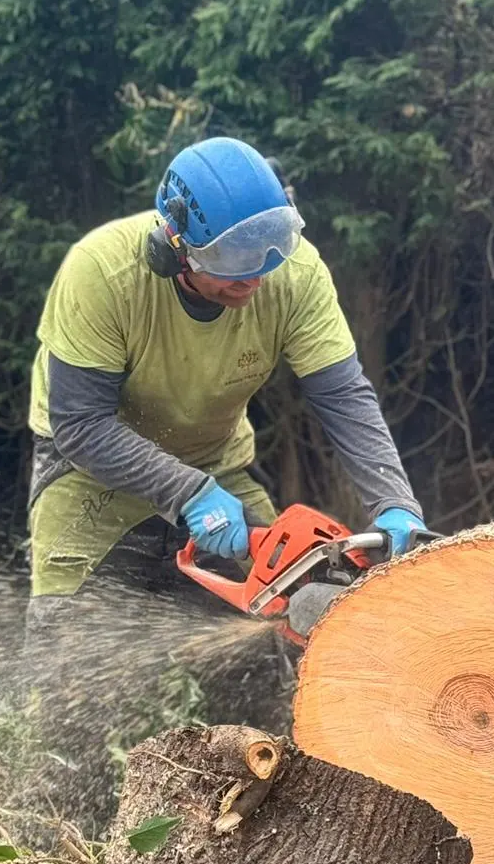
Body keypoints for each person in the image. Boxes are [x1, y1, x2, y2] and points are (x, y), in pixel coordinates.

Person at [26, 136, 427, 636]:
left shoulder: (296, 274)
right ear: (174, 246)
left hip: (215, 462)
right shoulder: (103, 273)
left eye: (267, 248)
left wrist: (393, 501)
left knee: (282, 628)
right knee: (66, 647)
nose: (254, 276)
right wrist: (188, 493)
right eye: (233, 257)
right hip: (89, 470)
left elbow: (342, 394)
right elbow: (81, 423)